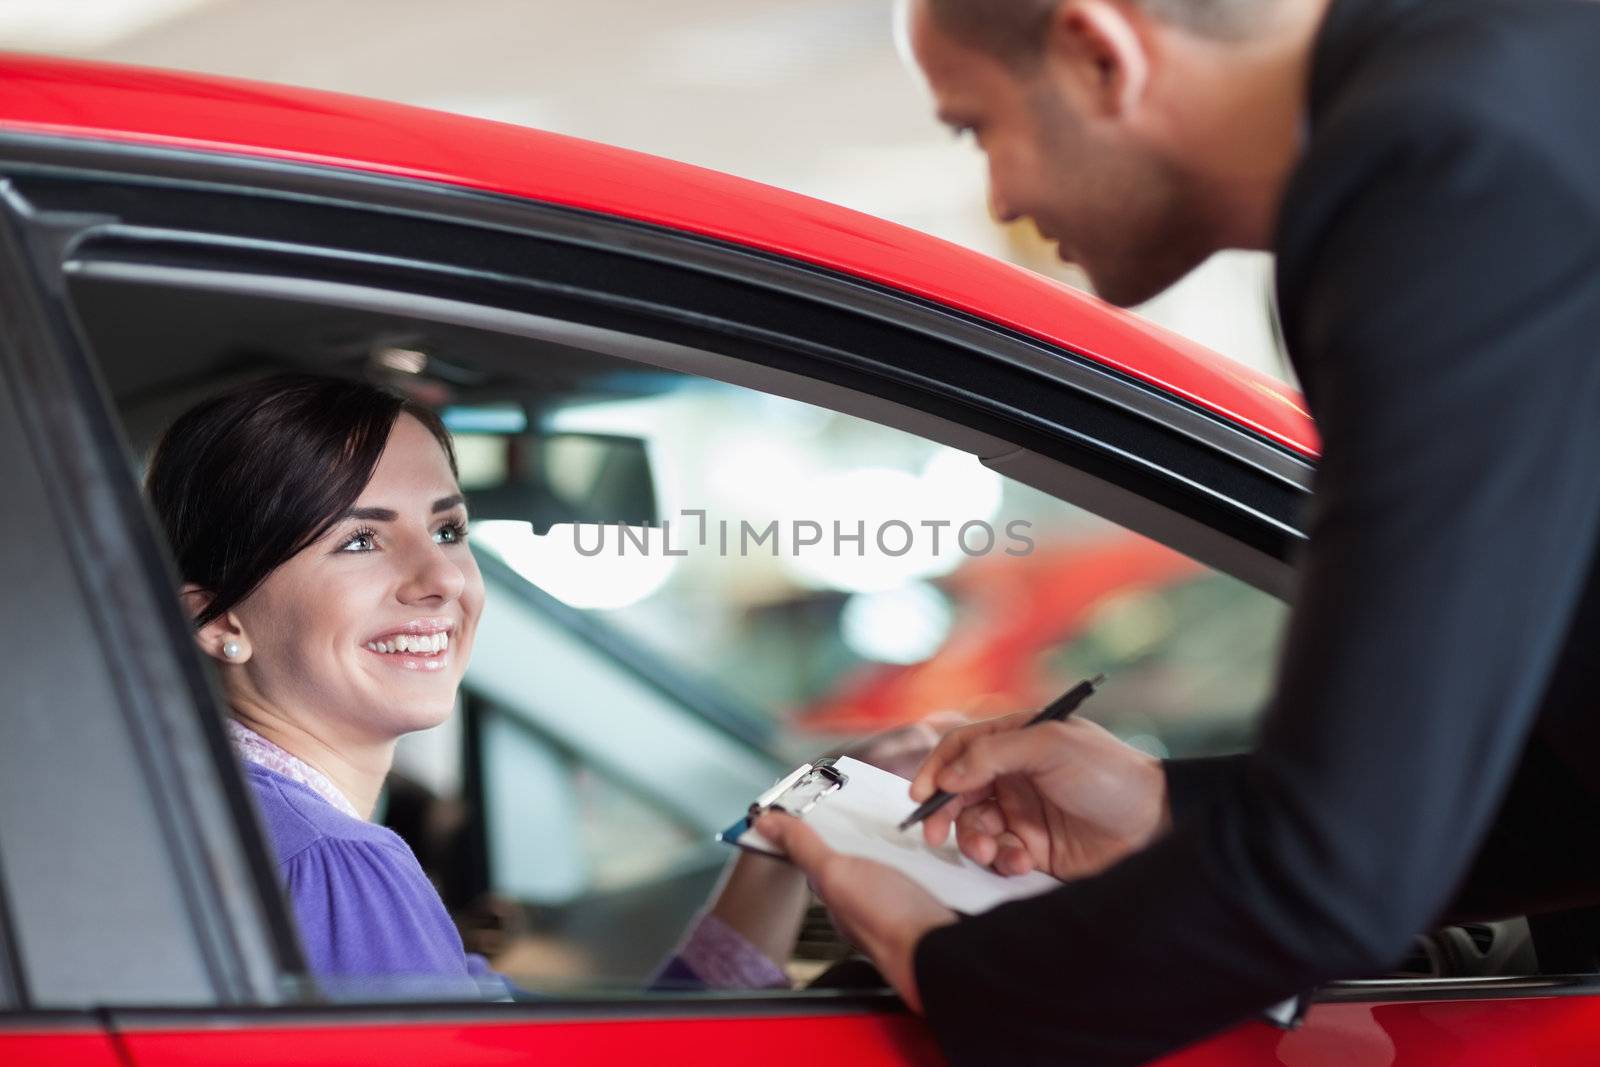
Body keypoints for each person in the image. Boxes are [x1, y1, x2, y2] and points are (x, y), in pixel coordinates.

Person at [757, 0, 1600, 1063]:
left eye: (979, 128)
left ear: (1095, 52)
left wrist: (922, 943)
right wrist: (1164, 806)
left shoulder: (1435, 167)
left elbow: (1331, 873)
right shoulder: (1506, 91)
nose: (1000, 194)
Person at [145, 373, 813, 996]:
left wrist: (794, 832)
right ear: (216, 618)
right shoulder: (334, 863)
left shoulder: (238, 823)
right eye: (359, 541)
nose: (443, 578)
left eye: (448, 529)